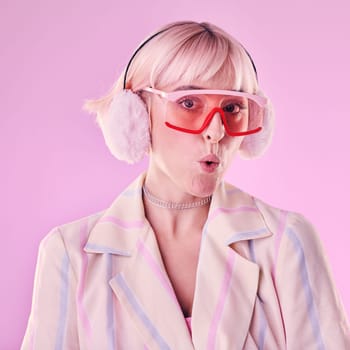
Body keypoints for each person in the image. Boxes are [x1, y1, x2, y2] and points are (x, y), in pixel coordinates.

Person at [21, 21, 349, 349]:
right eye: (190, 103)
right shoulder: (69, 253)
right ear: (135, 113)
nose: (216, 131)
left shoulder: (287, 242)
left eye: (233, 108)